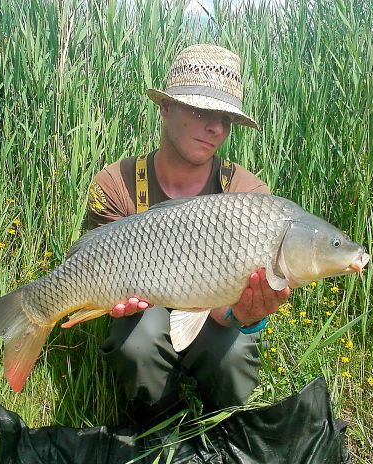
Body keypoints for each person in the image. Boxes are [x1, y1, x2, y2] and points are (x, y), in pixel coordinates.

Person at [85, 44, 291, 424]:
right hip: (143, 315)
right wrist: (106, 297)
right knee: (139, 339)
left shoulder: (249, 196)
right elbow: (91, 266)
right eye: (201, 112)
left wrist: (245, 315)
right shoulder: (116, 183)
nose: (216, 128)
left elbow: (231, 310)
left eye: (225, 119)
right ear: (166, 108)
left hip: (212, 315)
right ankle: (158, 424)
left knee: (232, 352)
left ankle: (220, 426)